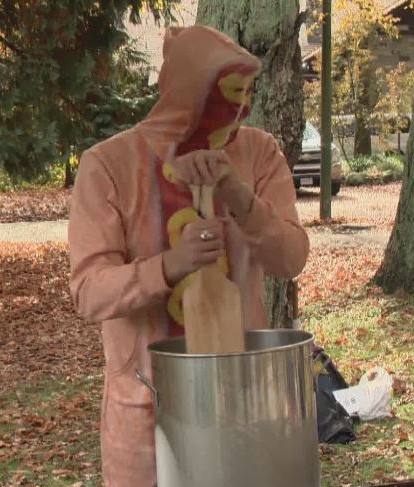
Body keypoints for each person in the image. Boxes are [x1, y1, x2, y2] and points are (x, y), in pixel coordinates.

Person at [67, 26, 309, 486]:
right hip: (144, 404)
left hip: (243, 398)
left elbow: (291, 259)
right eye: (230, 92)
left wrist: (239, 197)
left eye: (249, 91)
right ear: (188, 91)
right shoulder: (109, 166)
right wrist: (168, 266)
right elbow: (89, 293)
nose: (241, 107)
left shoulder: (258, 154)